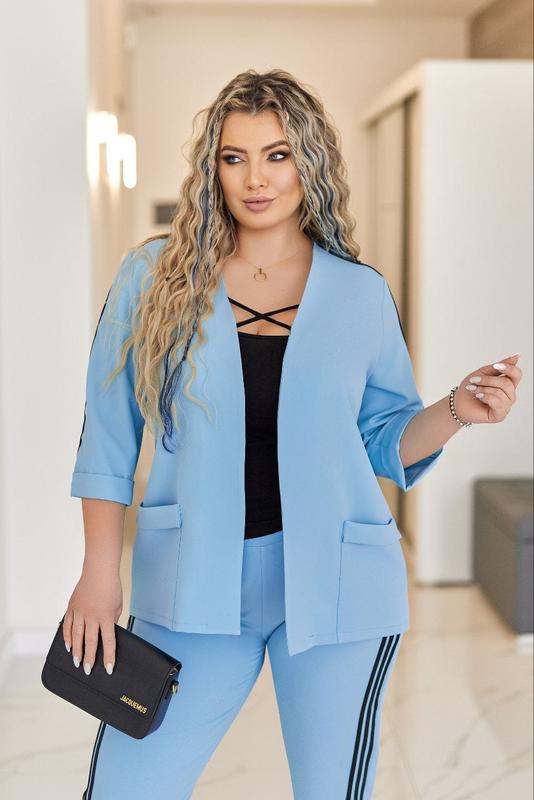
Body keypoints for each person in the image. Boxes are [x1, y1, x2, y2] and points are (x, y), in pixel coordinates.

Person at [63, 69, 522, 800]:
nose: (256, 178)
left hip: (340, 589)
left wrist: (459, 408)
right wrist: (98, 571)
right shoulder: (152, 277)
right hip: (189, 583)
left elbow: (382, 440)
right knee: (127, 789)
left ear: (310, 162)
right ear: (212, 167)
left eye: (277, 155)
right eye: (235, 156)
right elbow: (108, 436)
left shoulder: (359, 292)